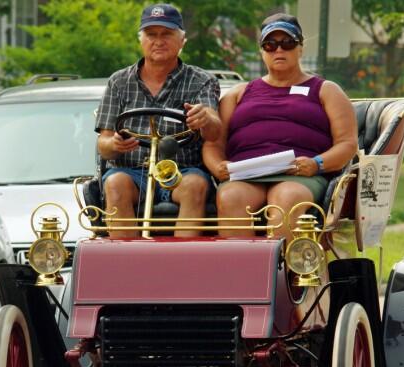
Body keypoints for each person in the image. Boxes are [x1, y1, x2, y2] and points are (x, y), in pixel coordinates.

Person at [203, 13, 358, 238]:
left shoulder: (326, 90)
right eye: (270, 44)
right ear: (262, 52)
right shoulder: (238, 93)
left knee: (286, 198)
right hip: (246, 174)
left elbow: (347, 144)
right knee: (230, 197)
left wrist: (316, 164)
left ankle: (281, 271)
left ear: (300, 48)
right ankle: (240, 271)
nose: (279, 50)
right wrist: (218, 166)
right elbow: (213, 143)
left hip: (300, 174)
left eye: (287, 43)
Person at [95, 3, 222, 238]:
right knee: (114, 184)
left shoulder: (202, 80)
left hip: (183, 171)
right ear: (141, 40)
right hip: (131, 171)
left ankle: (183, 267)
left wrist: (205, 118)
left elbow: (214, 132)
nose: (158, 41)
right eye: (151, 34)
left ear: (182, 40)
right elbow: (103, 143)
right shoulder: (118, 82)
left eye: (167, 34)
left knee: (195, 185)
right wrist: (114, 144)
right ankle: (124, 266)